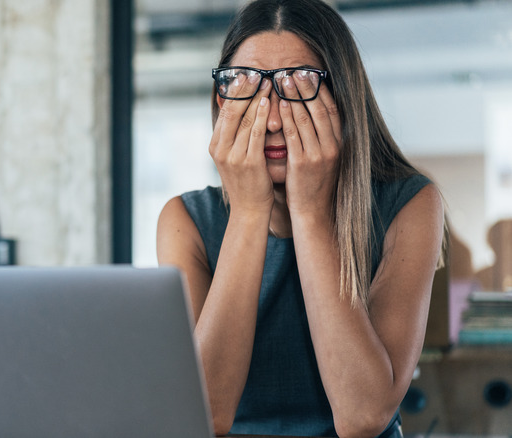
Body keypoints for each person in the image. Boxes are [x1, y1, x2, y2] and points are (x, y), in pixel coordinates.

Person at [155, 0, 445, 436]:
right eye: (247, 85)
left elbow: (363, 416)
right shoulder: (185, 221)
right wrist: (250, 212)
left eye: (299, 83)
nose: (271, 119)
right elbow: (205, 414)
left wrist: (309, 211)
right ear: (222, 99)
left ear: (342, 98)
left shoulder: (411, 203)